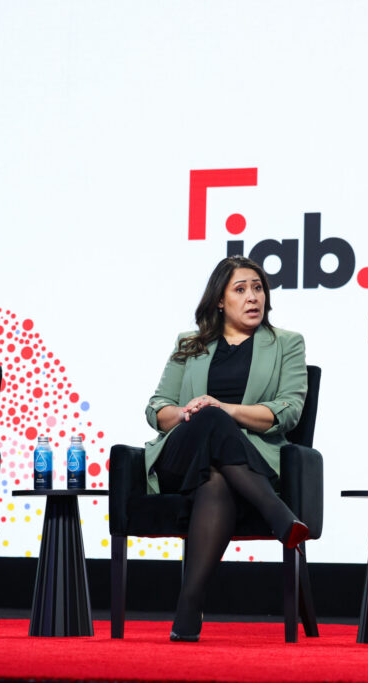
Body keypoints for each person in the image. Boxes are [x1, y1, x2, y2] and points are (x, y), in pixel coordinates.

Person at [144, 255, 310, 642]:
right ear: (220, 300)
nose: (253, 297)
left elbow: (289, 411)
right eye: (240, 289)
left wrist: (225, 409)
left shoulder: (286, 343)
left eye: (258, 288)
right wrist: (191, 413)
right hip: (180, 455)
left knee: (216, 474)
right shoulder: (189, 345)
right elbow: (156, 407)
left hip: (249, 458)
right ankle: (278, 514)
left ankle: (188, 608)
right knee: (209, 419)